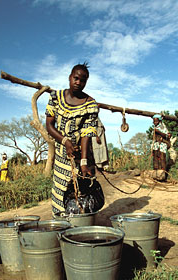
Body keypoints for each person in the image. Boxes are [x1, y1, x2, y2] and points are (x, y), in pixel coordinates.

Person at [45, 62, 103, 214]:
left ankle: (79, 231)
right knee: (60, 193)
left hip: (82, 155)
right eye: (76, 78)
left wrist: (83, 162)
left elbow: (87, 134)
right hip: (61, 156)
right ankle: (60, 228)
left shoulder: (90, 104)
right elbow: (49, 126)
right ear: (69, 77)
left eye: (83, 80)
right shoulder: (56, 97)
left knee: (82, 194)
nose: (78, 82)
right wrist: (65, 142)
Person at [151, 114, 171, 181]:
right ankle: (156, 176)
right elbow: (153, 137)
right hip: (156, 145)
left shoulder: (163, 127)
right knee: (155, 160)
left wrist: (158, 132)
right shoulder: (154, 127)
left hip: (162, 145)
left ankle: (163, 176)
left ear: (159, 121)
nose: (155, 122)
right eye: (154, 121)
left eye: (156, 121)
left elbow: (168, 136)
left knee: (162, 159)